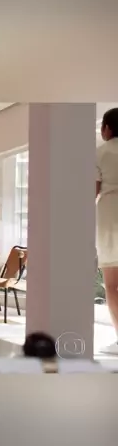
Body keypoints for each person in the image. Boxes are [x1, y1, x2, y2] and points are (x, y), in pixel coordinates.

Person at [96, 108, 118, 354]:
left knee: (112, 285)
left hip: (111, 219)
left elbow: (91, 192)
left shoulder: (101, 153)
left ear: (107, 128)